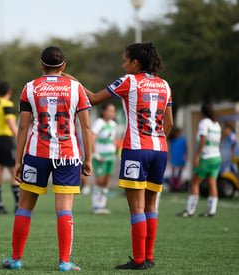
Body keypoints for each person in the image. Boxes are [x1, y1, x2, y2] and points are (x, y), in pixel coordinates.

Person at [64, 42, 173, 270]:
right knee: (151, 207)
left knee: (136, 208)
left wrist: (73, 81)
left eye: (125, 60)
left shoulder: (129, 81)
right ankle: (149, 257)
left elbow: (93, 99)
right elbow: (169, 123)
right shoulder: (164, 85)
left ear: (135, 62)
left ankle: (139, 260)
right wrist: (156, 140)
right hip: (160, 150)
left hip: (136, 150)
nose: (122, 65)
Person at [1, 46, 92, 271]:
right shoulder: (76, 88)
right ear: (64, 66)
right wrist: (88, 159)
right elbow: (86, 127)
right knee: (64, 209)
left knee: (24, 207)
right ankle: (64, 262)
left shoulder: (30, 88)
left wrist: (18, 161)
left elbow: (23, 127)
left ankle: (16, 259)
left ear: (41, 65)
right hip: (68, 155)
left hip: (36, 154)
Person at [177, 103, 221, 218]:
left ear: (202, 113)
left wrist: (197, 156)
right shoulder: (217, 124)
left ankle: (190, 210)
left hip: (206, 157)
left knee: (195, 183)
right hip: (216, 157)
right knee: (212, 183)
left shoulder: (204, 123)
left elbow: (203, 138)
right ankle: (212, 210)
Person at [0, 81, 20, 214]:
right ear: (9, 92)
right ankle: (18, 206)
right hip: (7, 141)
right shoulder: (8, 104)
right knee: (15, 173)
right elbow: (10, 123)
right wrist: (20, 139)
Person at [91, 103, 117, 214]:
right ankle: (96, 206)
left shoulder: (114, 124)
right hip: (100, 156)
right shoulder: (99, 123)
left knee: (106, 182)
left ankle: (102, 205)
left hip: (110, 156)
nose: (112, 113)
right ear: (104, 111)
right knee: (99, 181)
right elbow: (92, 137)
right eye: (110, 110)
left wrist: (115, 150)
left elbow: (114, 139)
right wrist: (95, 154)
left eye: (113, 111)